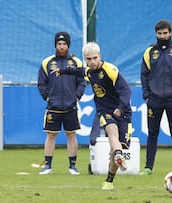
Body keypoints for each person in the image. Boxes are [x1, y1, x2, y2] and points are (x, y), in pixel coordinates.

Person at [52, 42, 132, 191]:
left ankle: (110, 179)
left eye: (95, 58)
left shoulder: (110, 70)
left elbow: (126, 91)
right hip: (105, 110)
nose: (92, 62)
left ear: (100, 56)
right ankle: (119, 155)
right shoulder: (89, 71)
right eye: (88, 59)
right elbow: (78, 71)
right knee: (111, 131)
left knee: (113, 150)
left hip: (123, 111)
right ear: (85, 59)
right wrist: (62, 71)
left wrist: (121, 108)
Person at [140, 20, 172, 176]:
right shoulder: (149, 52)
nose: (162, 36)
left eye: (165, 33)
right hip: (154, 100)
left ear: (170, 32)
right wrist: (147, 95)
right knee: (152, 134)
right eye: (159, 33)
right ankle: (148, 167)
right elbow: (144, 75)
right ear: (156, 34)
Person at [37, 32, 86, 175]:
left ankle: (72, 167)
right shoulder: (47, 62)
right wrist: (47, 97)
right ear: (55, 45)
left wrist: (77, 96)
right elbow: (41, 83)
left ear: (68, 45)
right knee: (51, 135)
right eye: (59, 44)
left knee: (71, 135)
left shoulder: (76, 62)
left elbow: (82, 81)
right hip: (53, 106)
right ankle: (47, 166)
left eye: (64, 44)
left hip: (71, 106)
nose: (62, 46)